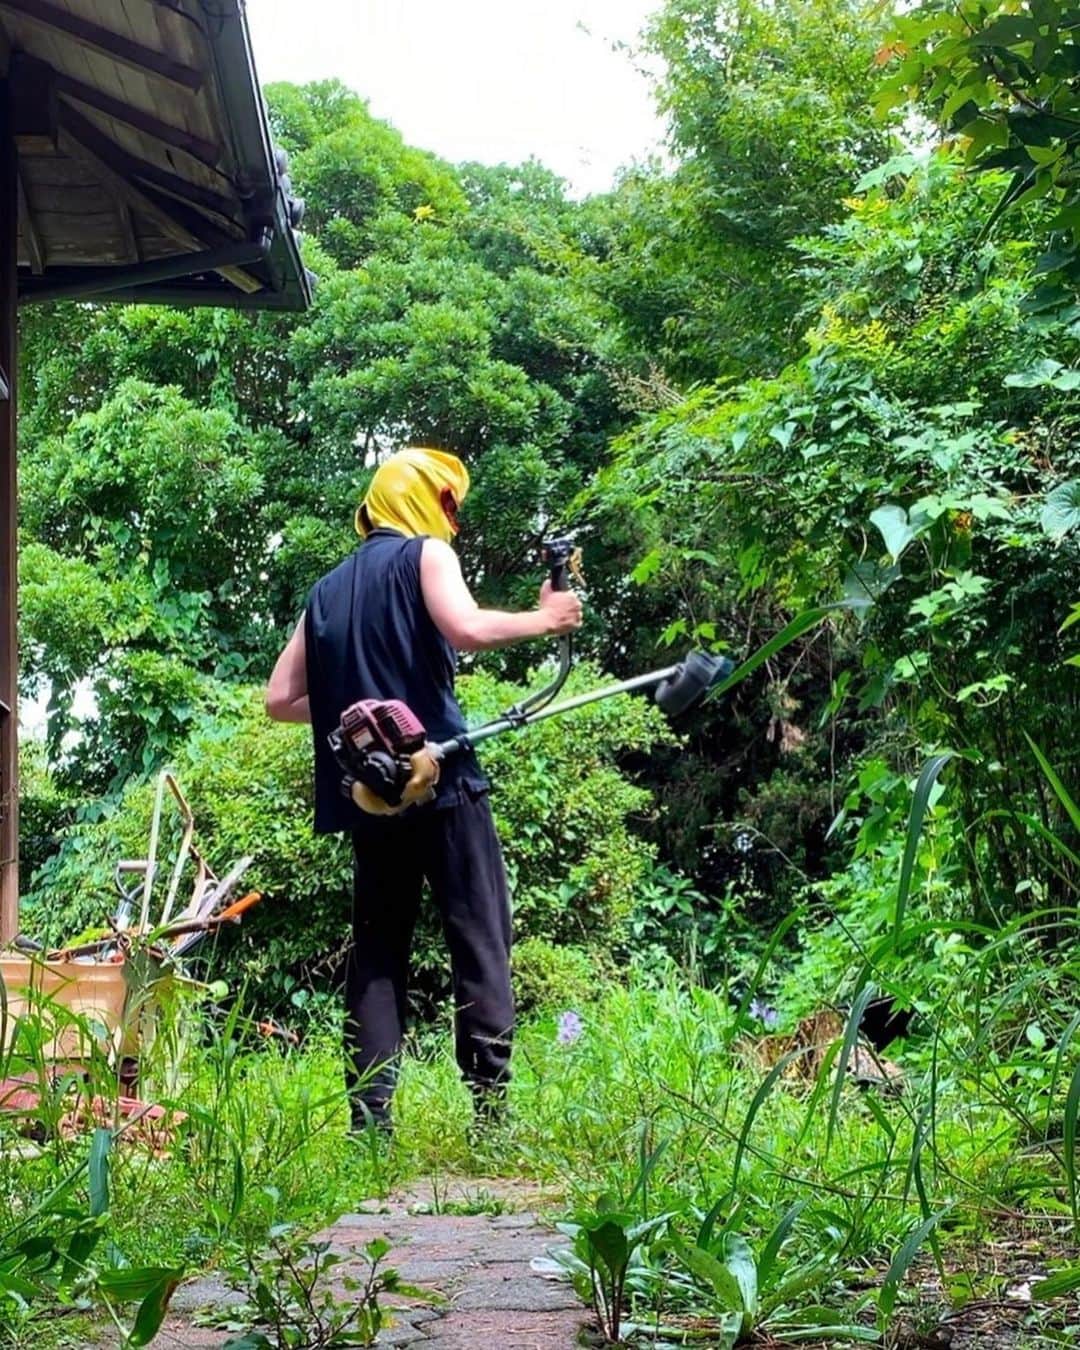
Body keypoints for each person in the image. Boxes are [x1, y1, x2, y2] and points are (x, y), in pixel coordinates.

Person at [265, 447, 583, 1135]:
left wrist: (359, 715)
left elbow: (280, 699)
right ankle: (490, 1118)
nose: (453, 522)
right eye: (448, 505)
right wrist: (547, 620)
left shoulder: (325, 591)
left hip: (372, 795)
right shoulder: (426, 555)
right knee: (480, 938)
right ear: (421, 499)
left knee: (378, 953)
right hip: (444, 784)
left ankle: (369, 1124)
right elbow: (466, 629)